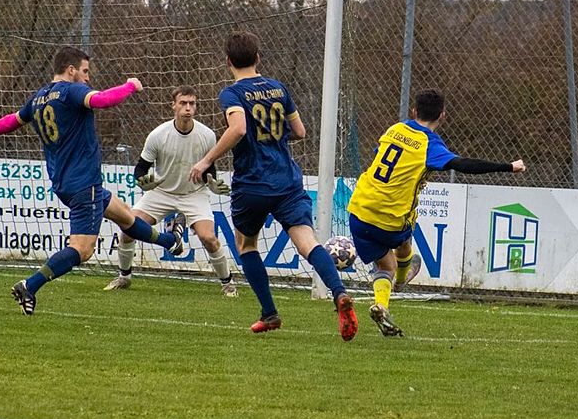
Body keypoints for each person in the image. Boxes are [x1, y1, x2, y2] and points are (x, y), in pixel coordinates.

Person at [0, 46, 187, 315]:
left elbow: (14, 121)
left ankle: (171, 241)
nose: (88, 77)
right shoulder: (71, 91)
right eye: (85, 71)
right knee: (82, 250)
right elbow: (103, 100)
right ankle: (29, 285)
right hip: (84, 184)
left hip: (65, 183)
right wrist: (130, 86)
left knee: (125, 216)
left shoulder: (38, 98)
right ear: (71, 70)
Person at [188, 30, 358, 341]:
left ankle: (269, 313)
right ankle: (339, 293)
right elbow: (300, 131)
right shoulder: (279, 88)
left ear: (228, 61)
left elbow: (238, 128)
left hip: (252, 183)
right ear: (258, 58)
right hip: (287, 180)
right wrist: (273, 137)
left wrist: (206, 160)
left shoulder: (232, 94)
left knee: (246, 245)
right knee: (308, 243)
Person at [347, 89, 526, 336]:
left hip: (358, 210)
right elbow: (463, 164)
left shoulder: (395, 129)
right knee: (403, 244)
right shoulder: (429, 145)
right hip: (390, 218)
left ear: (413, 111)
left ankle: (383, 303)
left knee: (384, 264)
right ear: (443, 115)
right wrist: (507, 166)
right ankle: (401, 280)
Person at [104, 85, 237, 297]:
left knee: (209, 238)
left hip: (194, 194)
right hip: (161, 192)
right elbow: (140, 169)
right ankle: (124, 276)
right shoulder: (158, 135)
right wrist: (143, 182)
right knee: (128, 228)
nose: (188, 108)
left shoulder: (207, 135)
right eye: (183, 103)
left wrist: (211, 182)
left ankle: (228, 284)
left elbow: (209, 170)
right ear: (173, 106)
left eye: (192, 103)